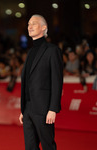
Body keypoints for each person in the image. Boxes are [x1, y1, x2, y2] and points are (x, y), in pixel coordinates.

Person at [19, 14, 63, 150]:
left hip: (44, 109)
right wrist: (24, 109)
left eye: (34, 23)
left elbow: (57, 81)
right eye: (28, 24)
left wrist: (53, 109)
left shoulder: (52, 50)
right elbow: (27, 81)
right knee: (30, 147)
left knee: (48, 146)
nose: (30, 26)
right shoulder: (30, 52)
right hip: (28, 110)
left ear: (44, 28)